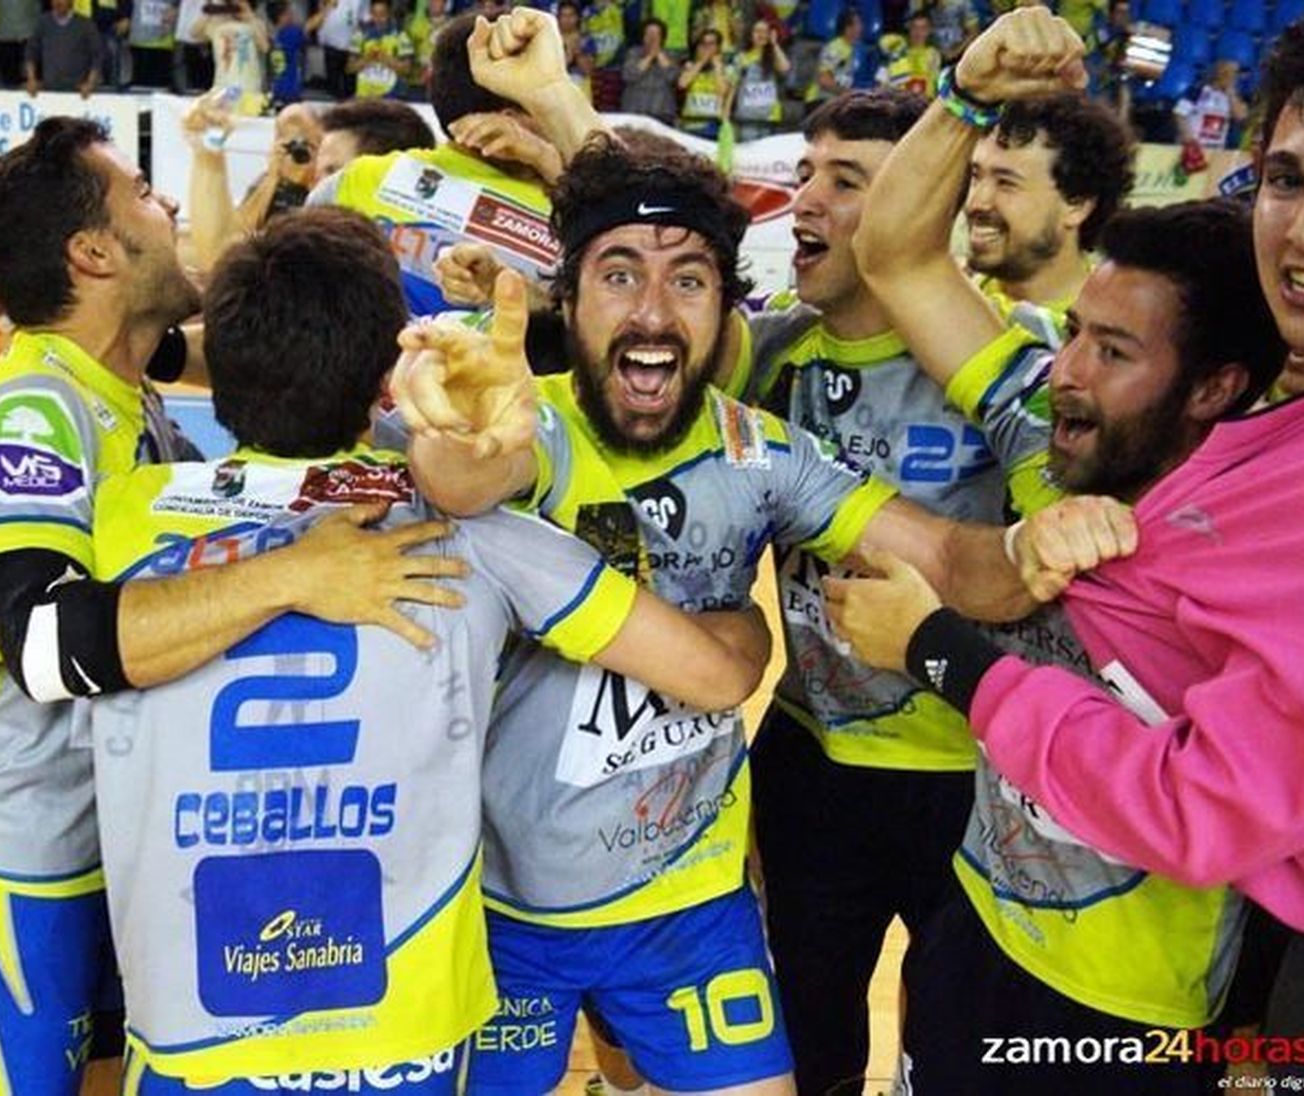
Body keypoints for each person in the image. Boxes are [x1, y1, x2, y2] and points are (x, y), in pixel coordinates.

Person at [389, 127, 1132, 1094]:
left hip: (688, 907)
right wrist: (456, 442)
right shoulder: (535, 430)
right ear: (566, 301)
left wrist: (1033, 548)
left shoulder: (767, 453)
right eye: (619, 276)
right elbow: (469, 473)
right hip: (499, 902)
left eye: (689, 281)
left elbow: (947, 555)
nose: (654, 313)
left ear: (725, 306)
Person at [839, 0, 1304, 1082]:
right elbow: (898, 256)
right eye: (1285, 180)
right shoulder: (1065, 429)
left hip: (1138, 1005)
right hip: (982, 928)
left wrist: (941, 651)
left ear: (1214, 388)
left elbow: (1216, 807)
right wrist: (964, 96)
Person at [86, 205, 777, 1094]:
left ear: (219, 370)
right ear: (388, 384)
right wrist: (747, 623)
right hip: (397, 1021)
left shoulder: (122, 512)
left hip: (193, 1014)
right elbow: (713, 675)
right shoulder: (475, 531)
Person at [0, 117, 463, 1096]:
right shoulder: (37, 407)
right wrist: (290, 574)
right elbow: (42, 641)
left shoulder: (124, 374)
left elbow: (269, 345)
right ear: (94, 252)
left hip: (125, 828)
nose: (170, 213)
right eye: (149, 196)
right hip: (20, 844)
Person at [308, 9, 598, 314]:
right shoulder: (579, 218)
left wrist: (547, 160)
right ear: (512, 121)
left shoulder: (358, 180)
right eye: (548, 99)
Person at [960, 91, 1136, 324]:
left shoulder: (1105, 331)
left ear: (1076, 204)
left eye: (1006, 183)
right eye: (976, 176)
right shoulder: (951, 292)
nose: (976, 202)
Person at [25, 0, 102, 94]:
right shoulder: (42, 22)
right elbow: (31, 52)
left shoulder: (86, 24)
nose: (58, 2)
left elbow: (97, 56)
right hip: (49, 90)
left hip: (78, 91)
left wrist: (90, 83)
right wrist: (31, 79)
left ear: (71, 1)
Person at [732, 19, 790, 141]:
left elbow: (785, 68)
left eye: (765, 31)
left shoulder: (773, 56)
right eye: (757, 31)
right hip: (747, 117)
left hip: (769, 117)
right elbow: (732, 87)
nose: (761, 34)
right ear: (750, 35)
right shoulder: (741, 58)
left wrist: (774, 44)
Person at [1175, 57, 1249, 152]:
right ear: (1220, 72)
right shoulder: (1197, 91)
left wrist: (1230, 93)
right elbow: (1179, 114)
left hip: (1216, 149)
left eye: (1235, 73)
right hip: (1192, 147)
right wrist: (1188, 138)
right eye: (1232, 72)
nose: (1235, 77)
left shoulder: (1234, 97)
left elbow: (1241, 118)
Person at [676, 28, 735, 139]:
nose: (707, 48)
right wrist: (701, 62)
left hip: (712, 125)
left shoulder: (727, 69)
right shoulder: (689, 66)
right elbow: (682, 84)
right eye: (703, 44)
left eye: (711, 44)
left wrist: (717, 67)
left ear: (718, 47)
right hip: (691, 123)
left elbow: (722, 91)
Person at [346, 0, 412, 99]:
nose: (378, 18)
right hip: (365, 96)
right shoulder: (360, 34)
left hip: (391, 96)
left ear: (389, 13)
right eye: (374, 14)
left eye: (382, 14)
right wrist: (368, 59)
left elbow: (407, 70)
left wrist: (386, 59)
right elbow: (349, 68)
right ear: (370, 13)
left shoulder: (401, 35)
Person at [620, 18, 679, 125]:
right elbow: (629, 75)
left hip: (662, 111)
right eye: (649, 34)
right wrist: (650, 56)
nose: (652, 38)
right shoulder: (633, 52)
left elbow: (672, 77)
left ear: (662, 38)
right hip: (635, 109)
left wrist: (659, 54)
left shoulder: (671, 54)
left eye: (656, 34)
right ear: (643, 36)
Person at [808, 9, 863, 106]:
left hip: (838, 100)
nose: (861, 28)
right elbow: (824, 80)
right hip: (820, 100)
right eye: (857, 24)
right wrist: (848, 93)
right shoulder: (835, 48)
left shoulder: (854, 49)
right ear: (847, 28)